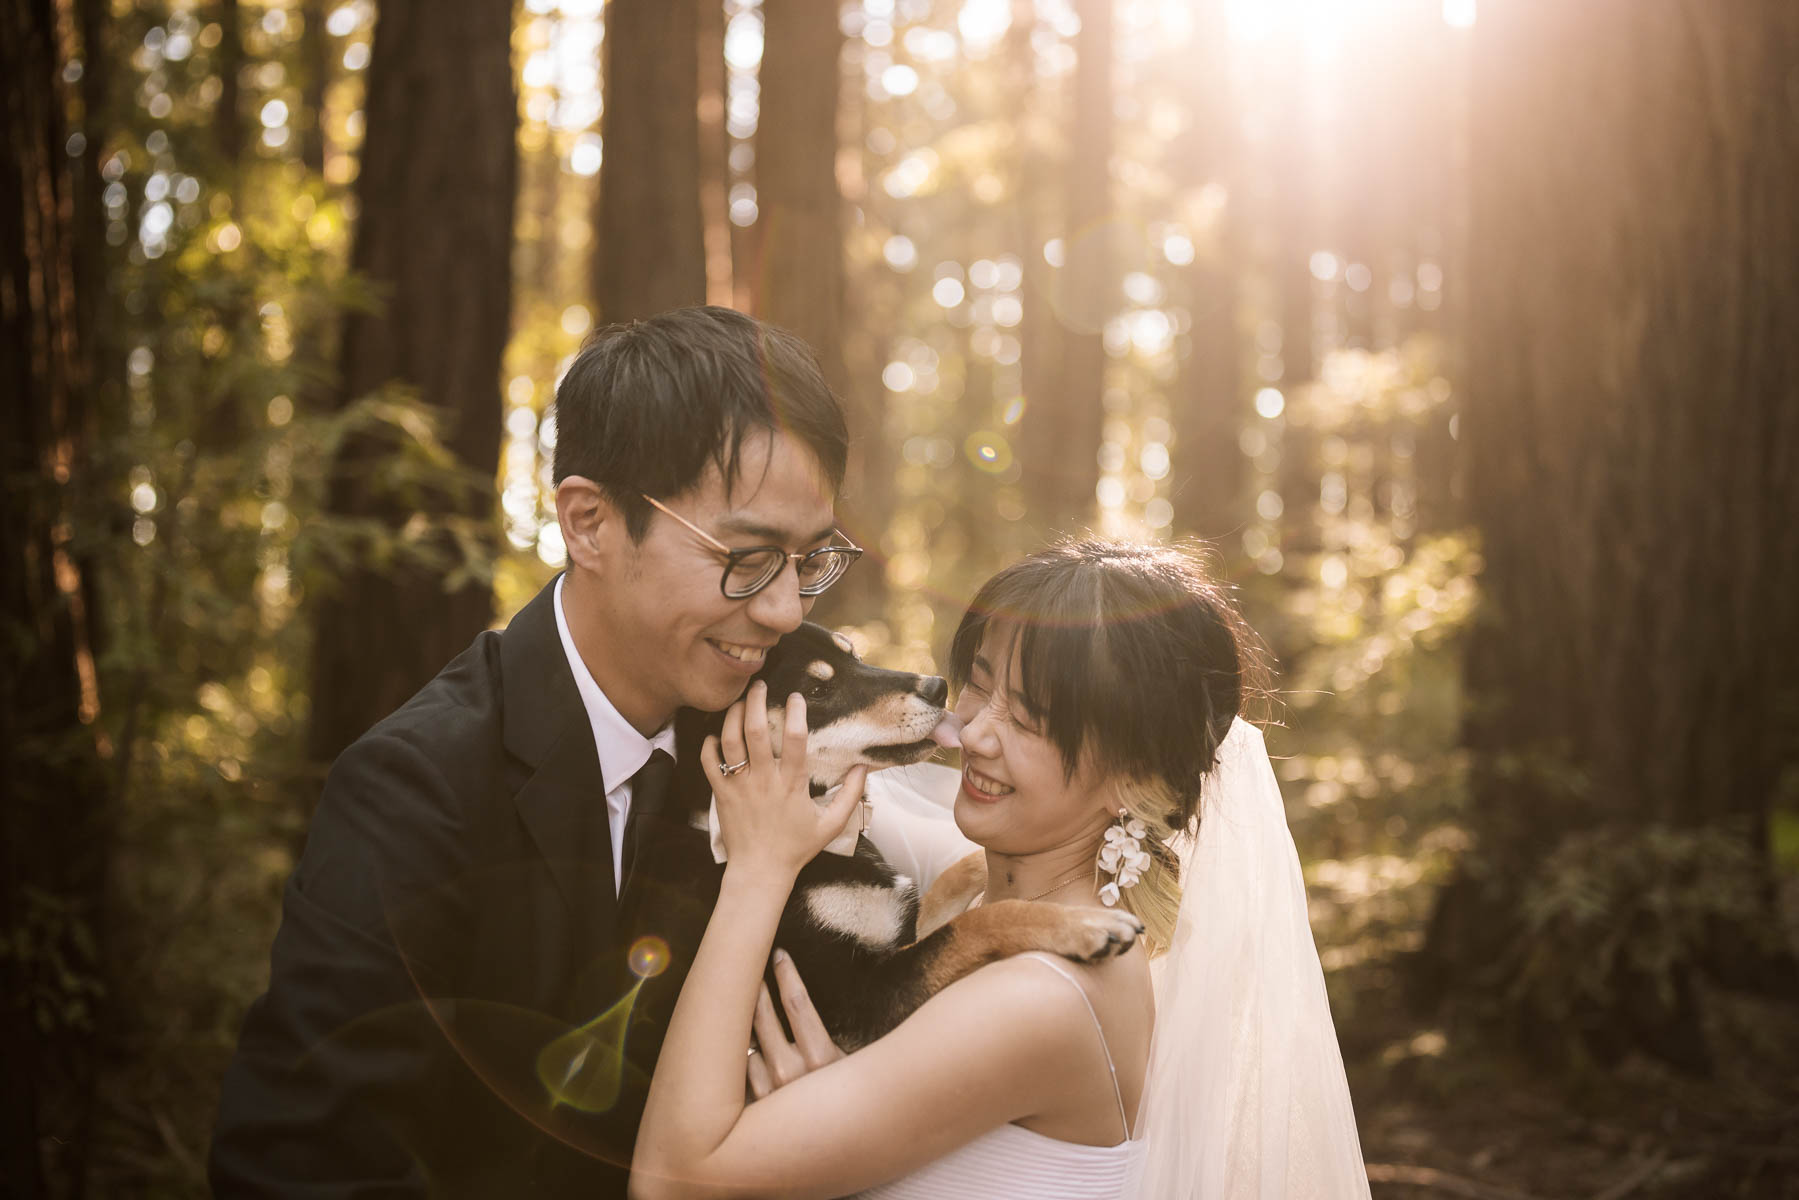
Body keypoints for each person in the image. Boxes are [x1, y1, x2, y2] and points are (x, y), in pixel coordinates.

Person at [210, 306, 862, 1198]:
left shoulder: (766, 720)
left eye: (810, 559)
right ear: (590, 523)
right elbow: (299, 1166)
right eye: (746, 557)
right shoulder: (415, 787)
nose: (787, 609)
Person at [629, 540, 1373, 1199]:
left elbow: (670, 1179)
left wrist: (758, 870)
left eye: (1031, 718)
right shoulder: (985, 895)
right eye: (980, 683)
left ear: (1134, 773)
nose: (973, 731)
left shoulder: (1043, 995)